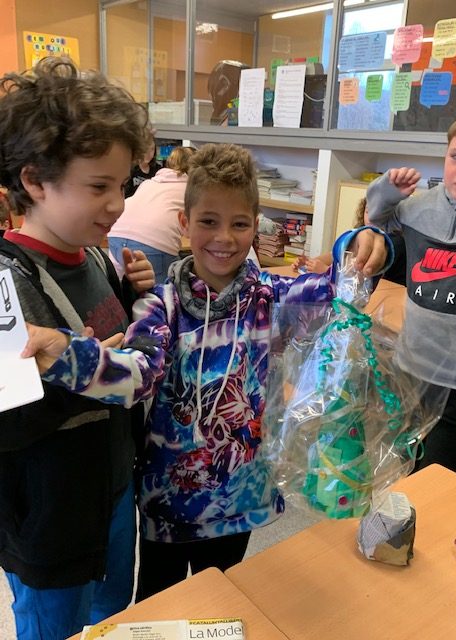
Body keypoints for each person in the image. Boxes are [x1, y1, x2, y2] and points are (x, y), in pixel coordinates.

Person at [23, 143, 393, 601]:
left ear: (255, 225)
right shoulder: (160, 304)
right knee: (159, 606)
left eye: (239, 224)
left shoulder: (272, 299)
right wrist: (67, 354)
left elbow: (340, 290)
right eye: (208, 221)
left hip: (240, 501)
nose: (224, 237)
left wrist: (360, 241)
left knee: (220, 602)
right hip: (168, 503)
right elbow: (137, 376)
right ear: (185, 223)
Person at [0, 56, 155, 639]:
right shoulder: (9, 285)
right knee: (55, 627)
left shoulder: (93, 255)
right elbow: (8, 423)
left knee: (109, 614)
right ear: (36, 182)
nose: (118, 204)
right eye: (99, 187)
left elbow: (113, 341)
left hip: (110, 492)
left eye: (122, 185)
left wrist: (131, 294)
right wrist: (84, 374)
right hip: (49, 520)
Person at [366, 107, 456, 479]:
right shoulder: (420, 208)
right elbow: (378, 222)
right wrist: (386, 191)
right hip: (411, 370)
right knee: (401, 469)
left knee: (436, 480)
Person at [109, 146, 197, 282]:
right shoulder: (190, 189)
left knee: (120, 288)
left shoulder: (149, 182)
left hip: (116, 236)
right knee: (169, 290)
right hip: (154, 244)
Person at [293, 196, 407, 286]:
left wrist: (326, 271)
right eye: (368, 212)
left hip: (389, 294)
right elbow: (337, 254)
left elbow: (359, 278)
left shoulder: (394, 242)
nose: (371, 218)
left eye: (378, 213)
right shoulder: (361, 234)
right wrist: (310, 262)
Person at [124, 132, 161, 198]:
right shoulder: (129, 169)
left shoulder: (158, 170)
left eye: (152, 149)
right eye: (146, 149)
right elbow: (125, 195)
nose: (149, 153)